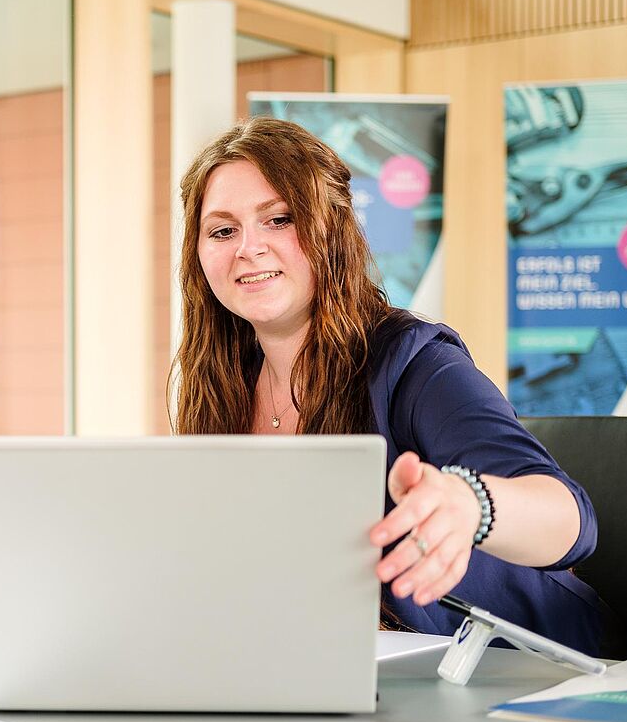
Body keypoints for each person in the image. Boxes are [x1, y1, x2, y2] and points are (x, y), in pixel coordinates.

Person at [172, 116, 603, 653]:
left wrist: (471, 504)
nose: (249, 247)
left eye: (280, 219)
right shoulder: (220, 383)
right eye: (222, 230)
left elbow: (570, 521)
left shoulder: (414, 361)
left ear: (331, 230)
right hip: (346, 668)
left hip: (519, 675)